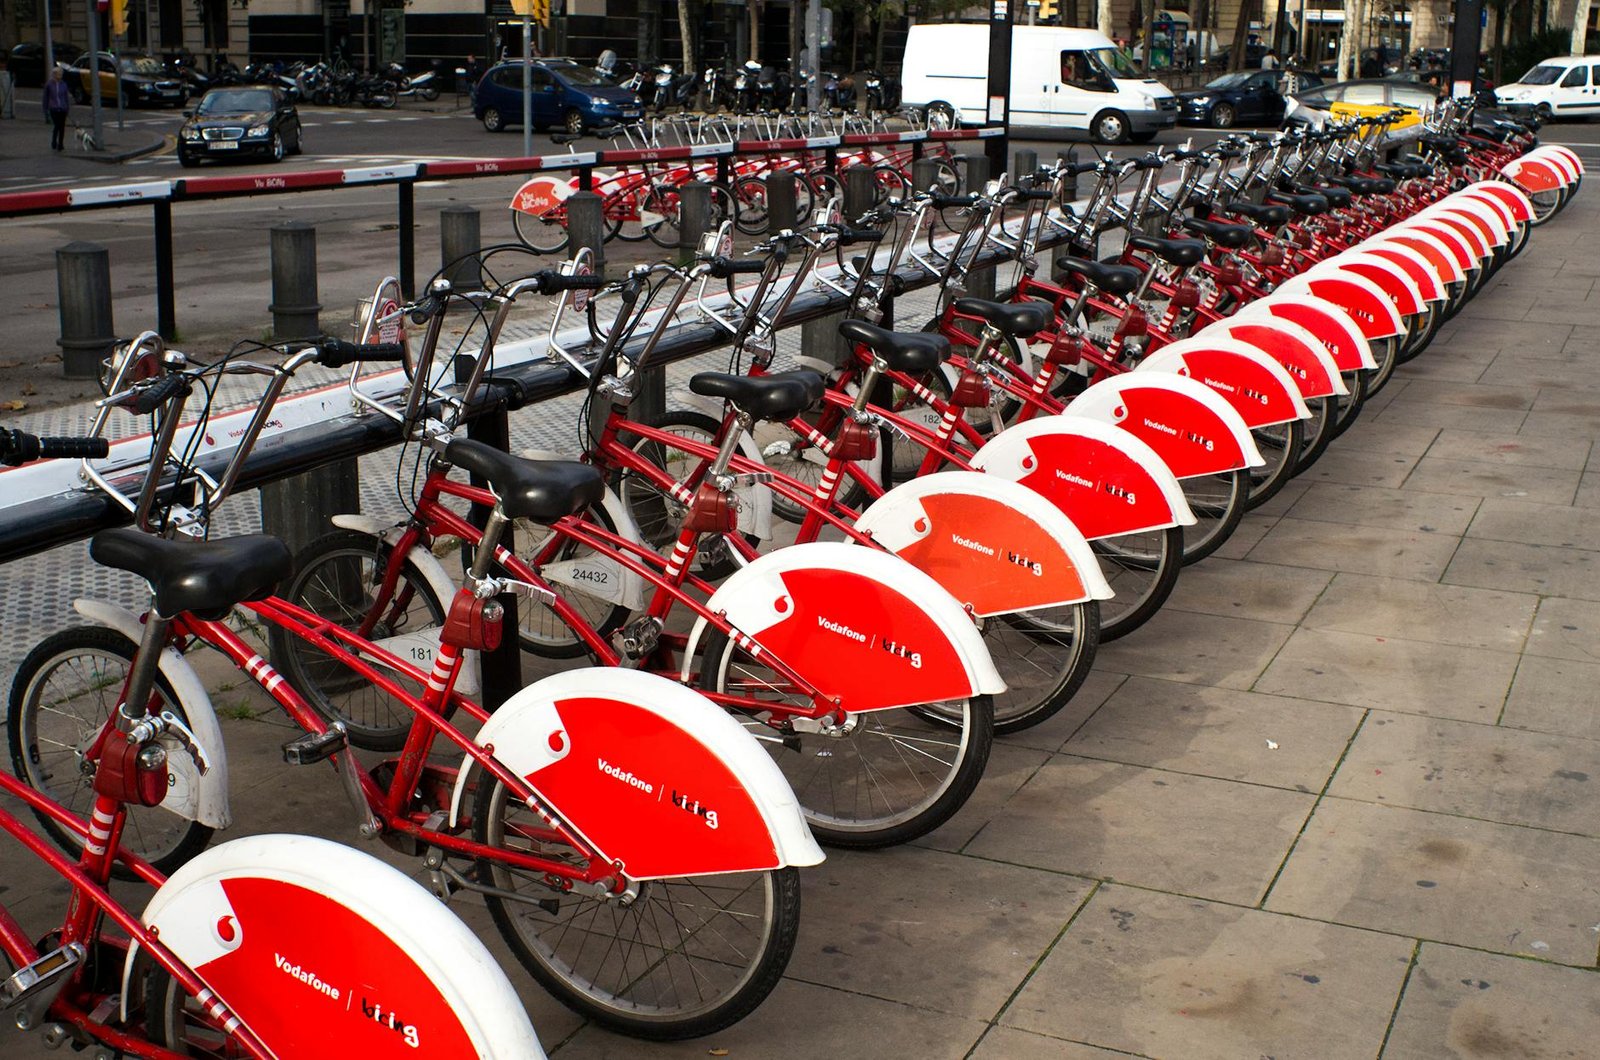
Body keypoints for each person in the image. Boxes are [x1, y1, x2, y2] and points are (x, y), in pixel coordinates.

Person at [43, 68, 71, 151]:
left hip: (62, 108)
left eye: (61, 74)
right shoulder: (49, 85)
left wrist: (67, 108)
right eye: (58, 74)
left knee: (62, 127)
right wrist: (45, 109)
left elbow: (66, 97)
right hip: (53, 108)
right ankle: (54, 141)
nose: (60, 76)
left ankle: (60, 143)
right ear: (54, 74)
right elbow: (45, 98)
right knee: (57, 125)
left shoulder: (64, 84)